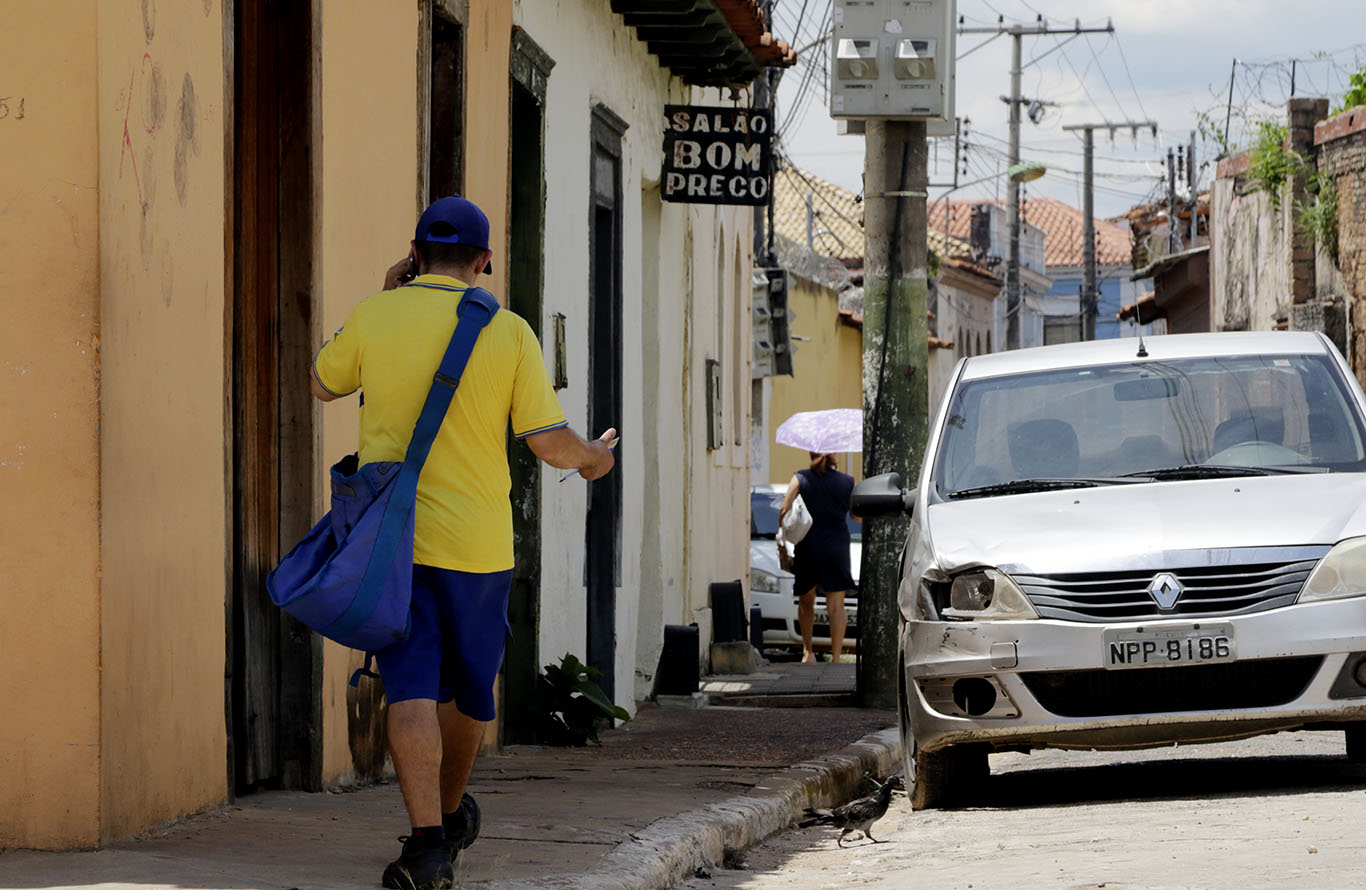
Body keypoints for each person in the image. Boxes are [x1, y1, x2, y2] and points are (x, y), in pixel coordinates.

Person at [311, 195, 617, 890]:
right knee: (472, 693)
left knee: (410, 686)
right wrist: (596, 458)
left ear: (413, 253)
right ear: (483, 262)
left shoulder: (374, 313)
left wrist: (389, 300)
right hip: (478, 549)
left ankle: (427, 844)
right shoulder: (507, 332)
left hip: (394, 544)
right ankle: (445, 822)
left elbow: (323, 383)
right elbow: (547, 444)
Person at [779, 452, 856, 663]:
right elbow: (856, 515)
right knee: (836, 606)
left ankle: (808, 651)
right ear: (834, 456)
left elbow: (784, 509)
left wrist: (781, 534)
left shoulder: (800, 478)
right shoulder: (847, 481)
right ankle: (837, 657)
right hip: (837, 546)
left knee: (806, 600)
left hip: (808, 545)